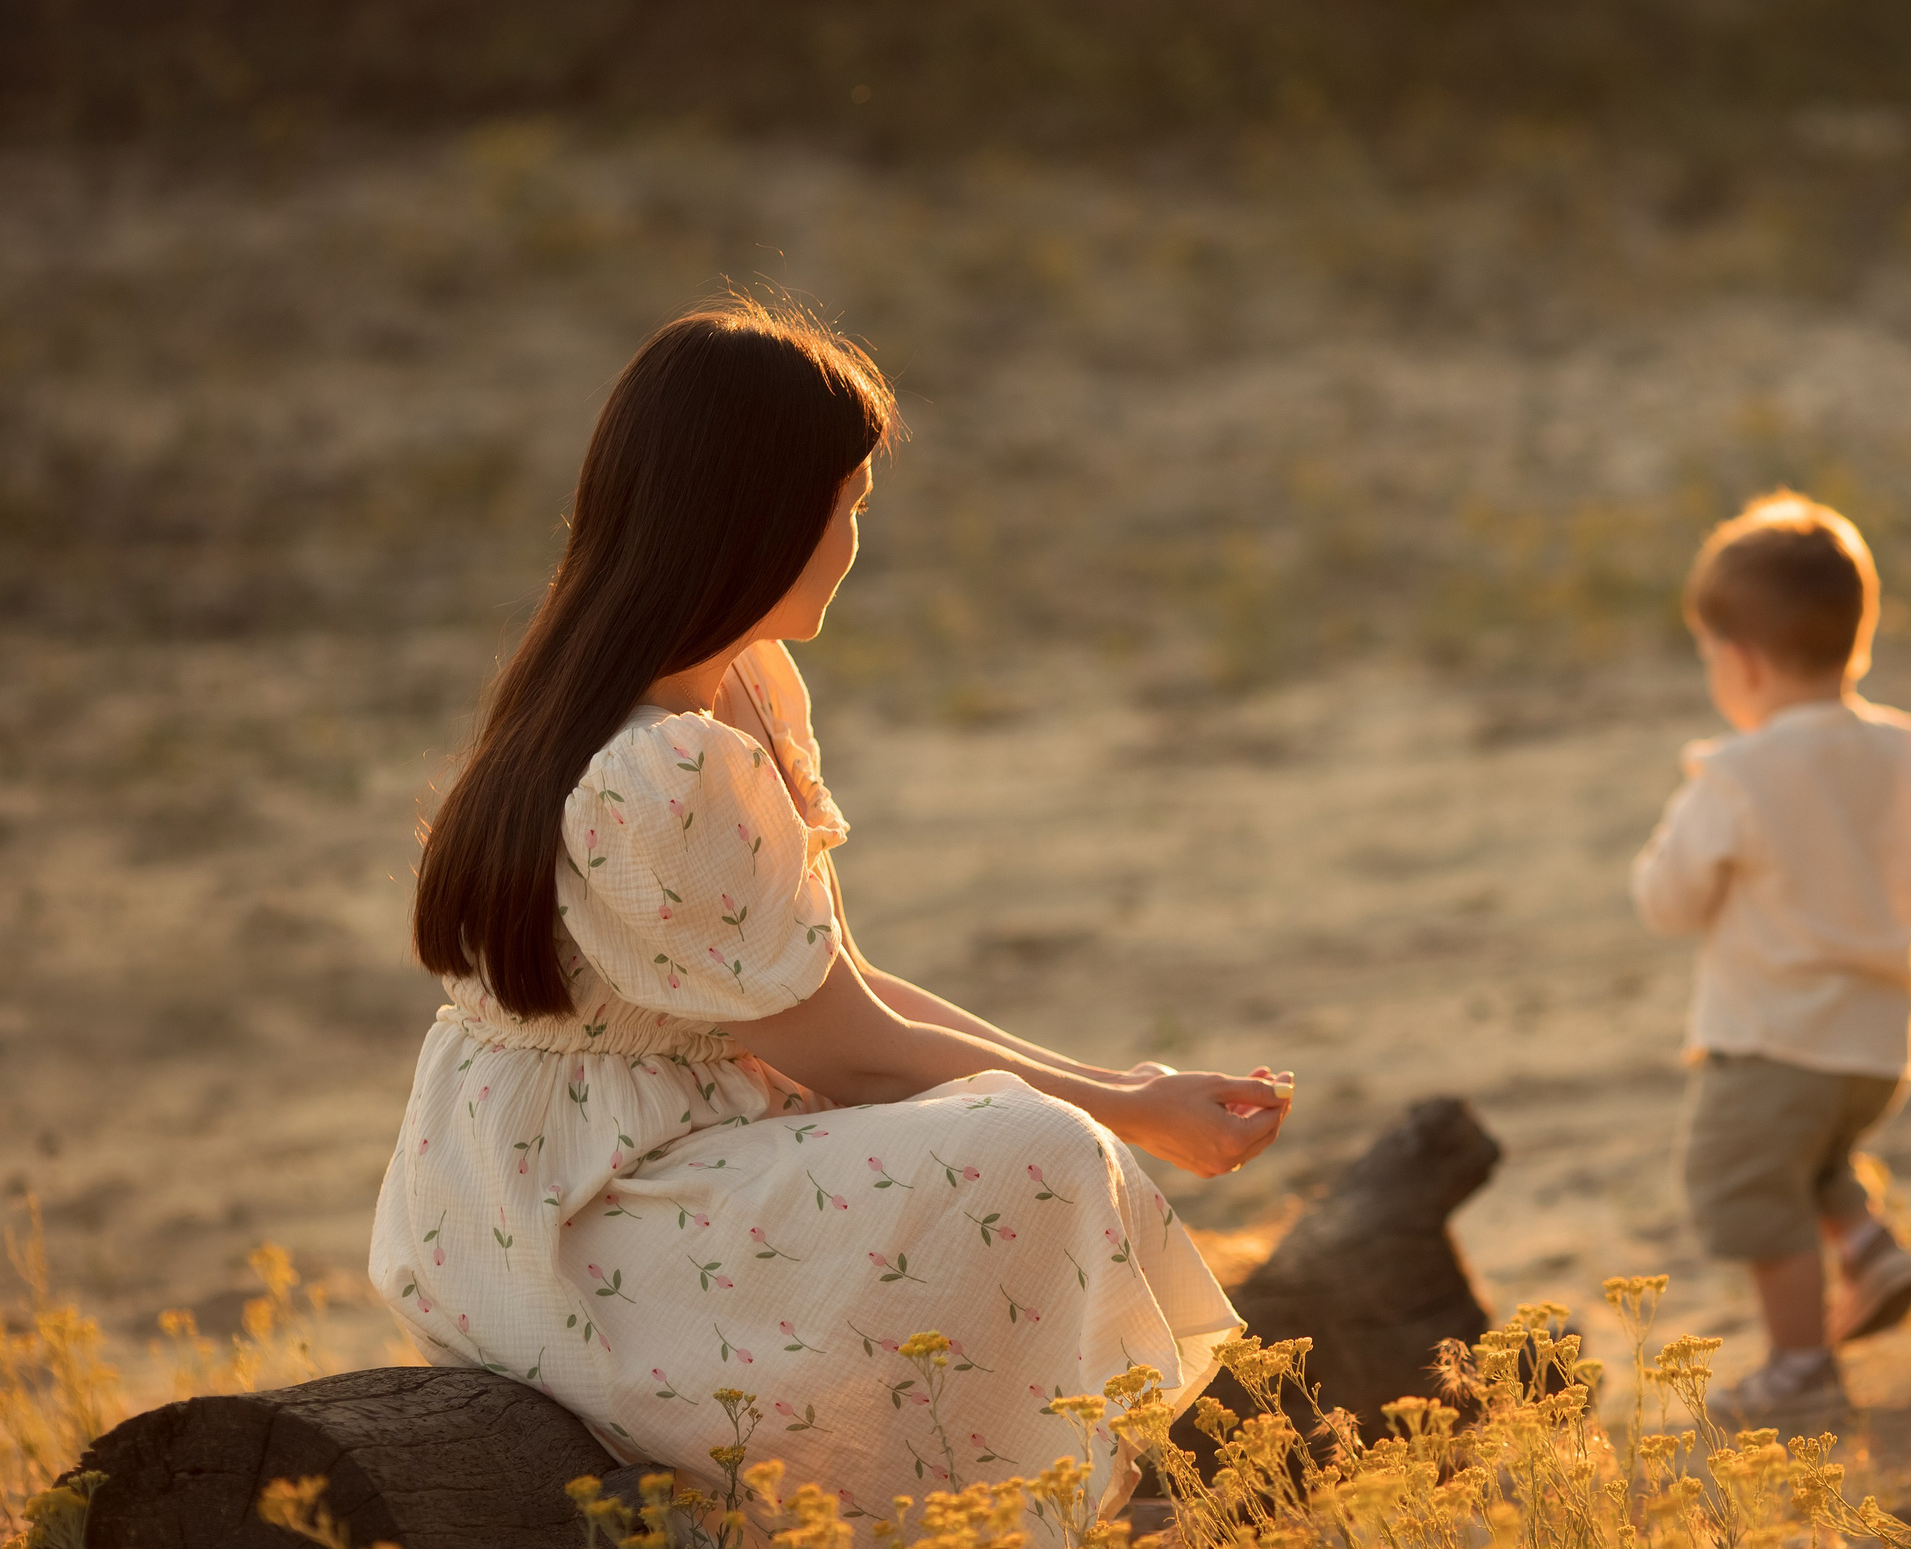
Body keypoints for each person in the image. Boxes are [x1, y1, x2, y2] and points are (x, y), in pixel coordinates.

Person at [377, 296, 1292, 1520]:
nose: (855, 541)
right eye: (848, 504)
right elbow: (848, 1054)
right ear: (757, 514)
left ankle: (1004, 1507)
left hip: (660, 1162)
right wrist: (1121, 1110)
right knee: (1037, 1154)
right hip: (580, 1227)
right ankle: (1005, 1517)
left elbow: (836, 986)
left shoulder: (733, 689)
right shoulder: (662, 765)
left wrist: (1117, 1086)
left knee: (1034, 1134)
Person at [1630, 490, 1911, 1425]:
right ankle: (1866, 1248)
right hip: (1882, 1040)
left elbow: (1667, 901)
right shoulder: (1910, 746)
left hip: (1774, 1039)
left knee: (1739, 1177)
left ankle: (1801, 1365)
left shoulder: (1737, 772)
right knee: (1807, 1157)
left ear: (1740, 660)